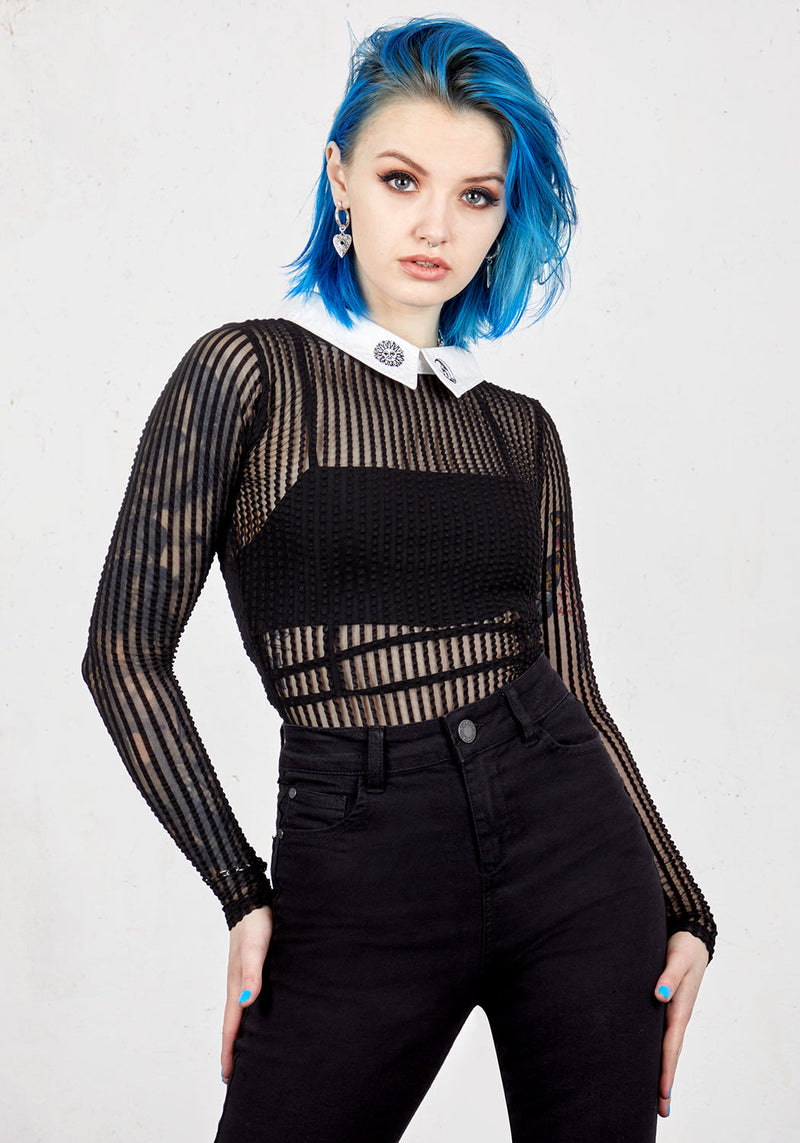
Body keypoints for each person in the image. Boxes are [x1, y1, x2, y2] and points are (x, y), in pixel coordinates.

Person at [82, 15, 715, 1142]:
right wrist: (240, 889)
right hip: (358, 863)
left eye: (476, 195)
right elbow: (122, 653)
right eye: (400, 179)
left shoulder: (520, 432)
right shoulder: (250, 373)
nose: (434, 225)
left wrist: (683, 907)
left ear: (504, 216)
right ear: (340, 178)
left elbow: (572, 686)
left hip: (573, 857)